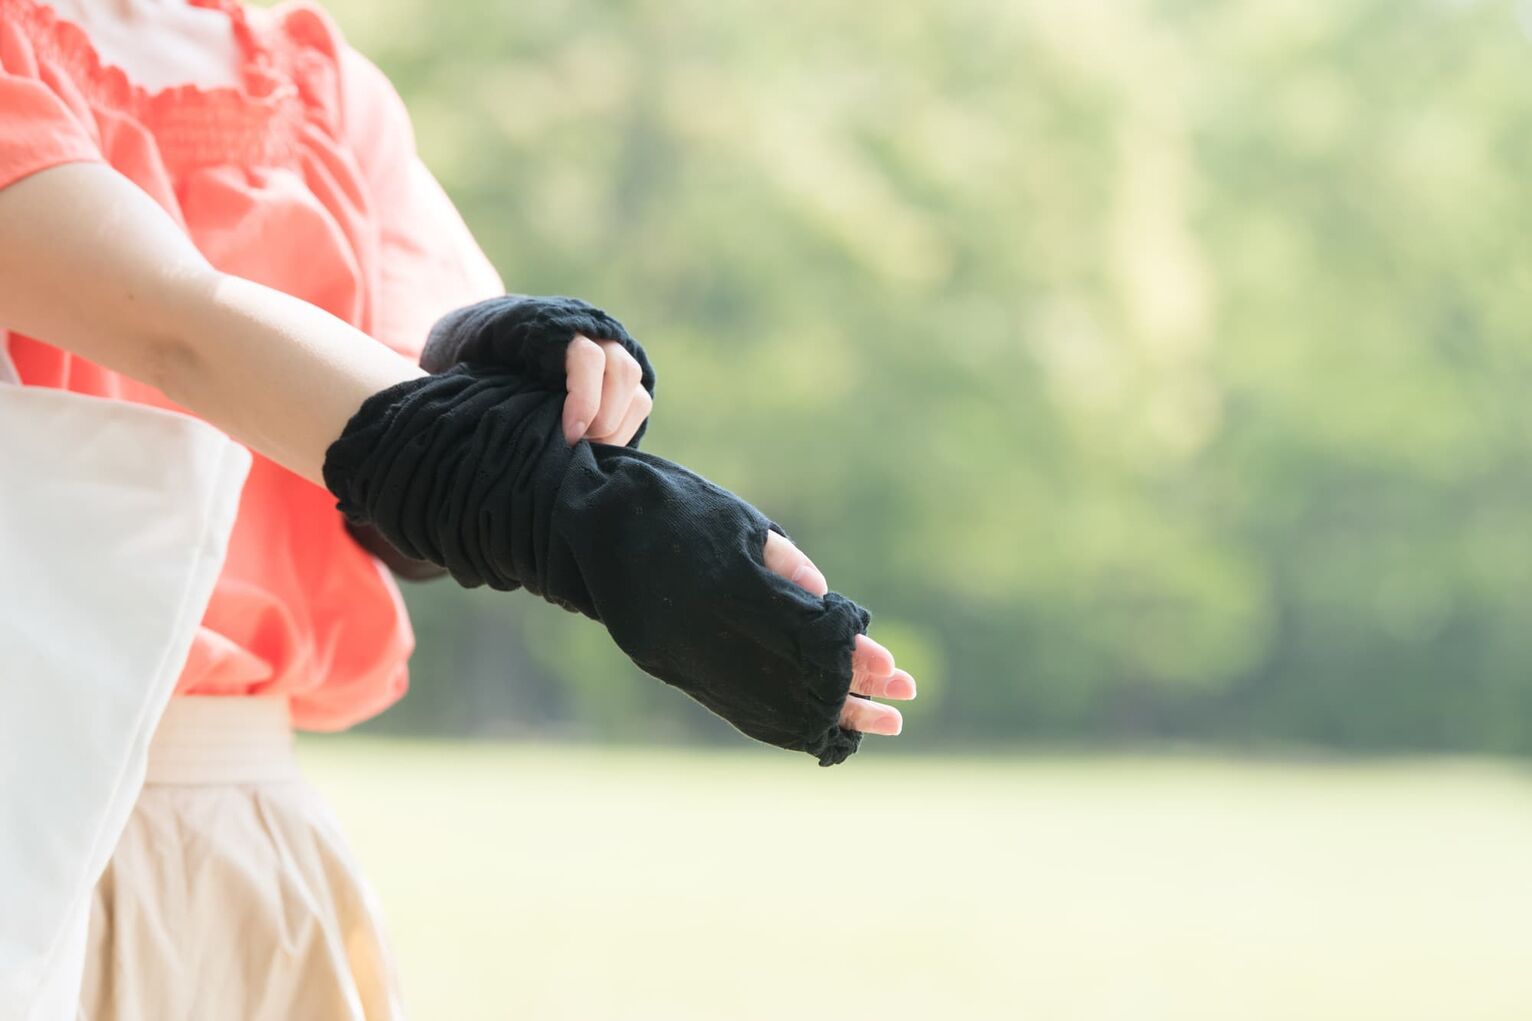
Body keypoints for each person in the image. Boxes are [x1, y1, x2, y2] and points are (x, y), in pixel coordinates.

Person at [0, 0, 916, 1016]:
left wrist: (525, 381)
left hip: (244, 833)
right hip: (23, 811)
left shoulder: (321, 83)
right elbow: (177, 324)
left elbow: (404, 469)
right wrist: (597, 523)